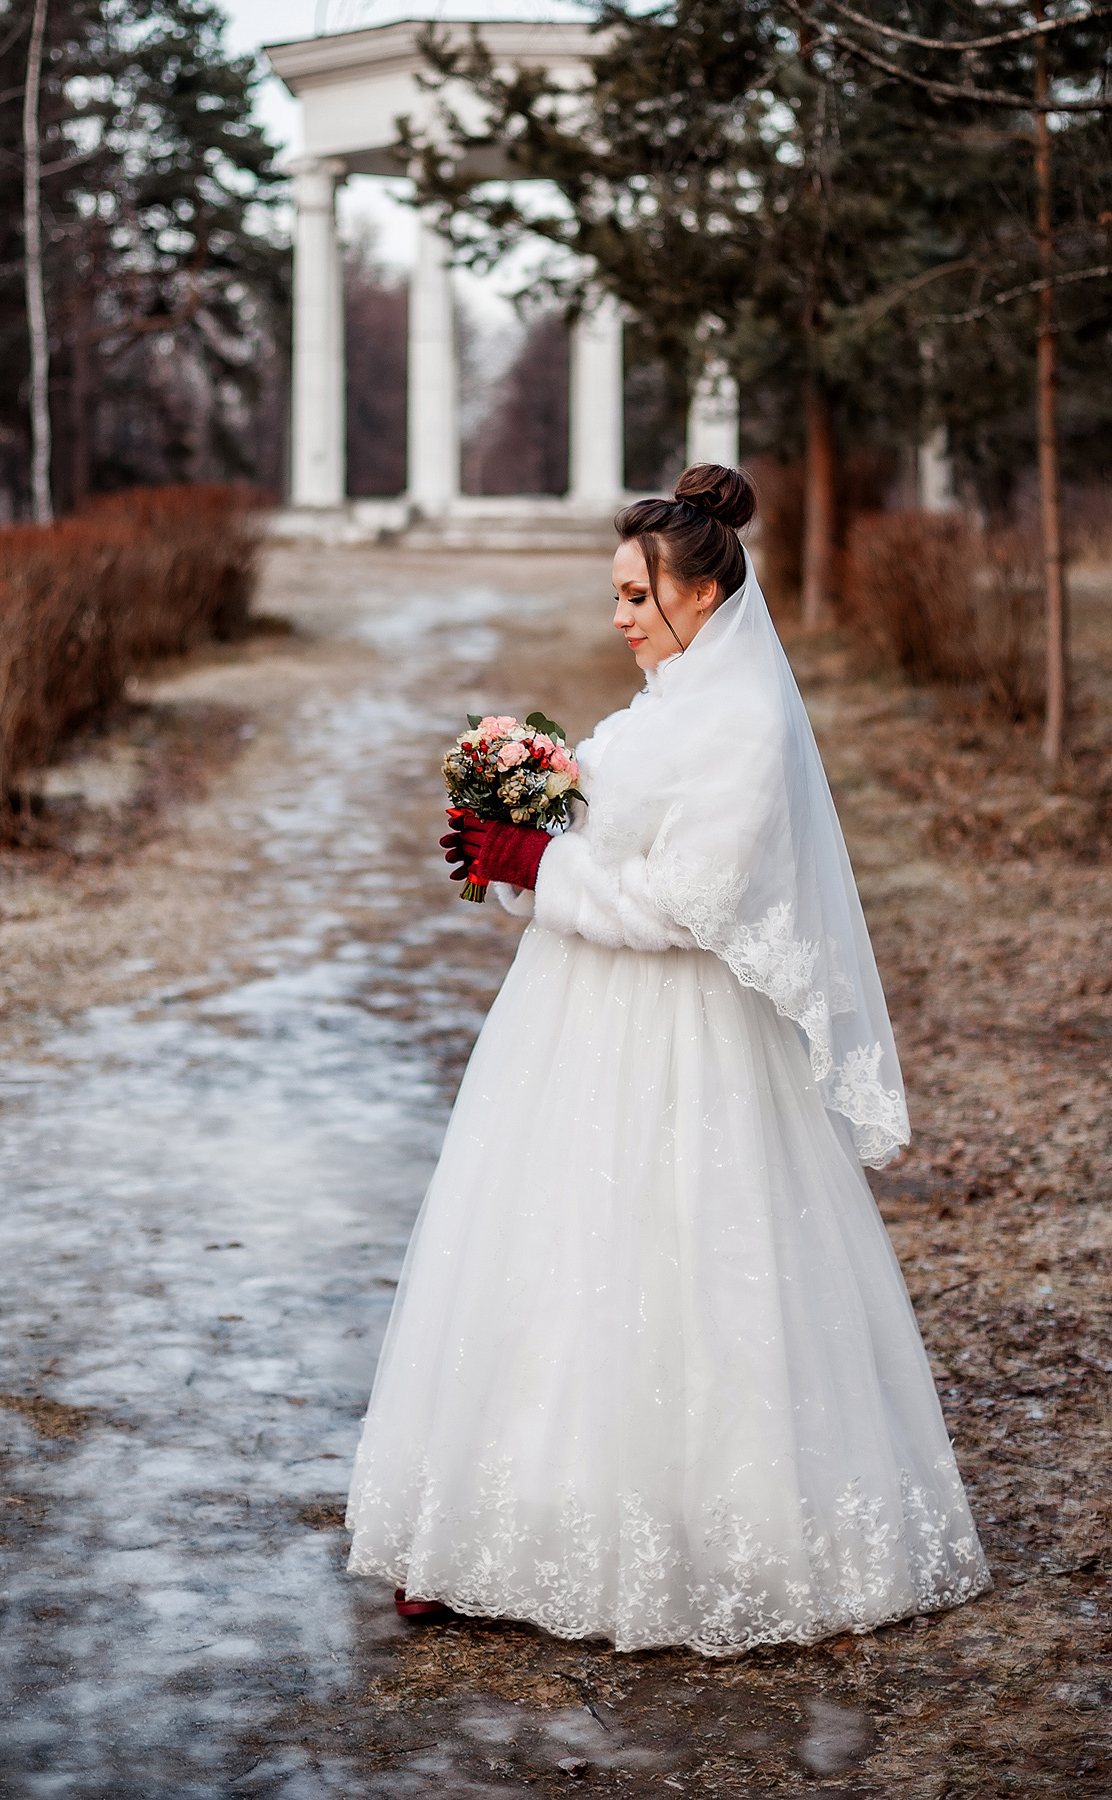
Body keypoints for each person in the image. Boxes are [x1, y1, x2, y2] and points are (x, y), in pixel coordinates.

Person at [345, 463, 990, 1655]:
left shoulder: (743, 723)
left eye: (636, 594)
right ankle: (498, 1521)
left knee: (684, 1258)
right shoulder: (655, 707)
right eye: (615, 594)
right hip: (577, 1026)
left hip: (689, 1037)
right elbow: (597, 846)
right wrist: (511, 851)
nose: (620, 615)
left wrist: (546, 871)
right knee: (551, 1255)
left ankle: (700, 1532)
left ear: (699, 594)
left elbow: (690, 905)